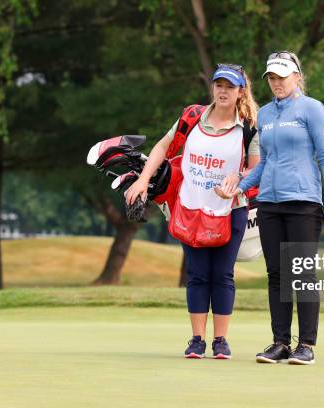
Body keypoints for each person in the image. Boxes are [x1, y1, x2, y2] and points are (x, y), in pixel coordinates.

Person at [126, 64, 260, 359]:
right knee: (197, 274)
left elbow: (254, 169)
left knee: (223, 275)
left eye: (230, 86)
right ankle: (197, 339)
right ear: (213, 87)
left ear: (241, 92)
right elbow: (162, 147)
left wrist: (237, 181)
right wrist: (143, 180)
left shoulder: (249, 127)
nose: (223, 91)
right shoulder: (192, 117)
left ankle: (221, 341)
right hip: (190, 206)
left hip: (230, 209)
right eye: (219, 85)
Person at [216, 51, 324, 365]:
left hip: (303, 201)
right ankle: (280, 342)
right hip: (269, 203)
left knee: (301, 273)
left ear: (297, 76)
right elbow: (265, 163)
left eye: (281, 77)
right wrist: (238, 188)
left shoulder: (312, 109)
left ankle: (306, 345)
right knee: (277, 275)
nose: (276, 83)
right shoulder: (266, 115)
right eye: (271, 78)